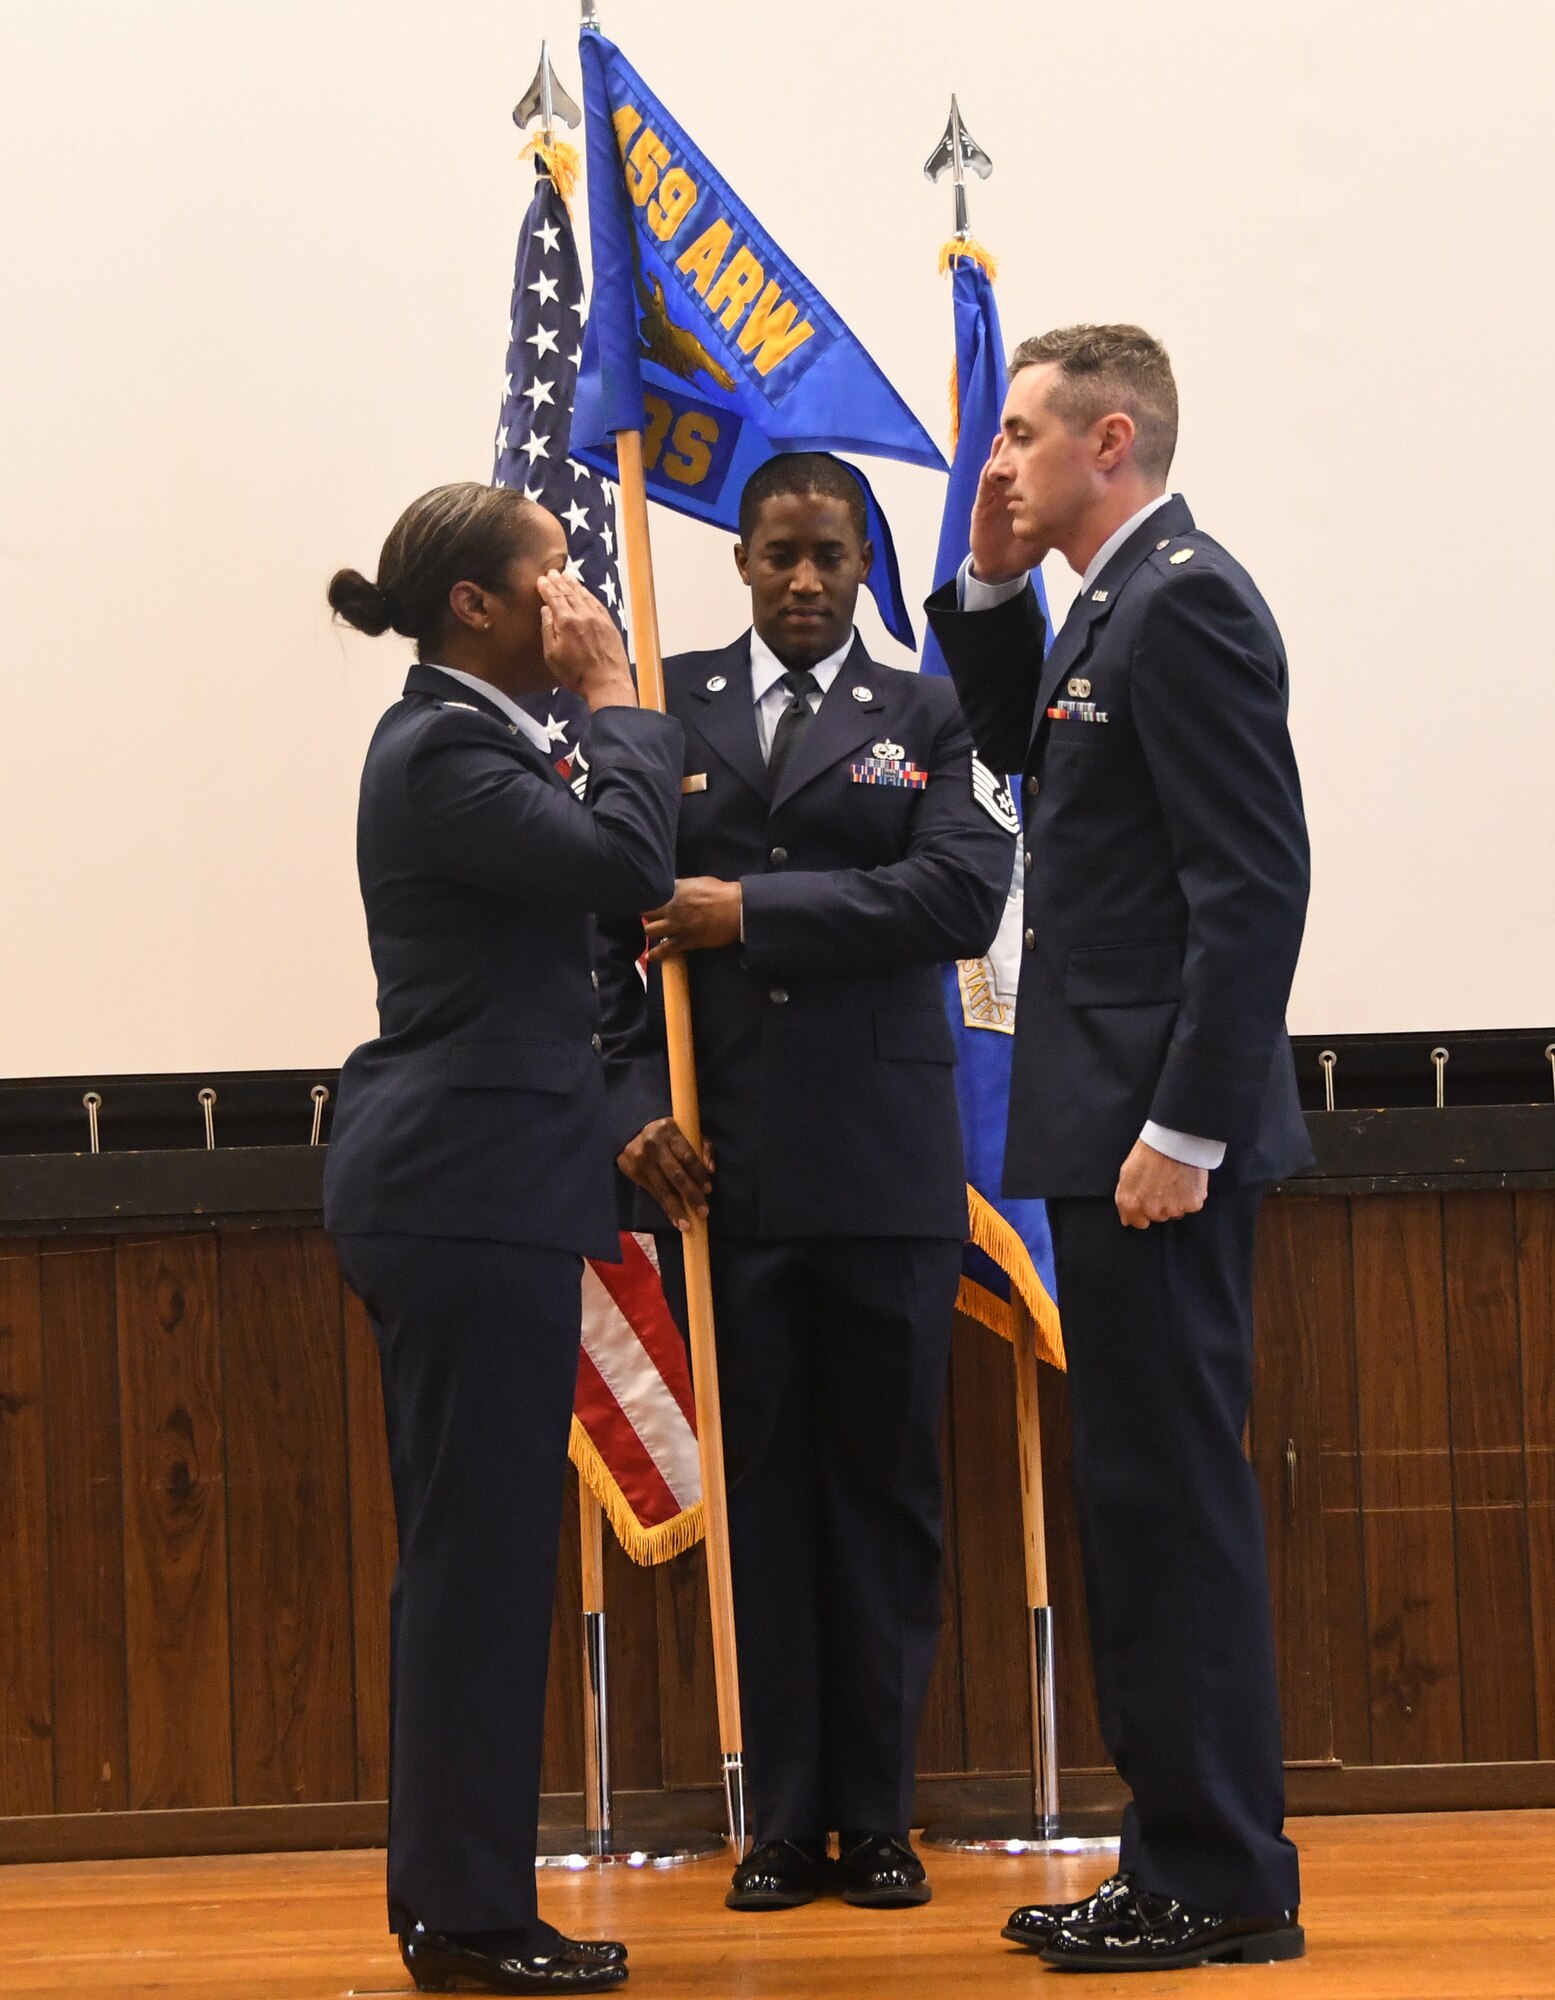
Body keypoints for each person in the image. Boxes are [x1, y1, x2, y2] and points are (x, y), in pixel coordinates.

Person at [925, 327, 1313, 1974]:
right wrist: (994, 582)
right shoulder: (1106, 605)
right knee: (1136, 1502)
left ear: (1112, 440)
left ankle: (1220, 1875)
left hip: (1159, 1143)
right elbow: (1023, 751)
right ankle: (1178, 1853)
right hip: (1110, 1131)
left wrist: (1187, 1123)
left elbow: (1254, 885)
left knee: (1171, 1506)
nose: (992, 464)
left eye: (1017, 438)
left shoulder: (1190, 599)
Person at [597, 454, 1014, 1913]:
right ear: (741, 561)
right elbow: (611, 939)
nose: (803, 581)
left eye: (830, 556)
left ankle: (880, 1815)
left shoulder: (926, 710)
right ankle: (780, 1819)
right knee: (764, 1496)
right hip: (726, 1183)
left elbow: (958, 895)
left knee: (882, 1497)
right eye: (778, 553)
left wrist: (750, 911)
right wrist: (631, 1105)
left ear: (860, 563)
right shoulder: (663, 712)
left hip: (886, 1171)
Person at [323, 482, 683, 1996]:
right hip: (460, 1186)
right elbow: (626, 869)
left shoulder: (478, 742)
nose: (578, 590)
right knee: (476, 1566)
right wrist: (617, 699)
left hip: (489, 1182)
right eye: (553, 569)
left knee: (481, 1560)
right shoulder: (442, 750)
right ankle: (469, 1917)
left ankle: (461, 1900)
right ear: (476, 605)